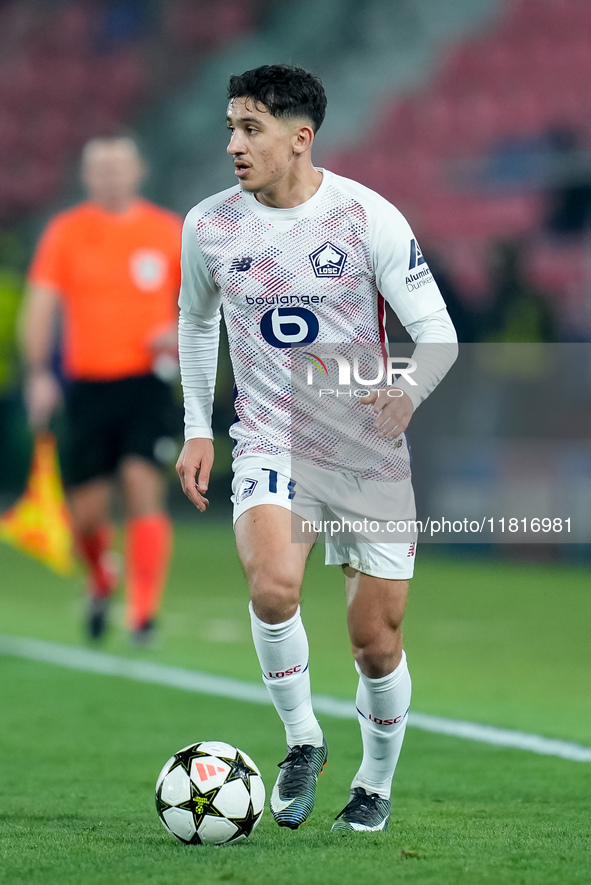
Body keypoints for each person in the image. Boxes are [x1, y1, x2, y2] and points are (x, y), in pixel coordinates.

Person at [176, 65, 458, 833]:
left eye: (250, 129)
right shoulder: (209, 225)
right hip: (270, 436)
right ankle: (302, 737)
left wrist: (406, 392)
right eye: (231, 126)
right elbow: (198, 323)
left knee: (374, 642)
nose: (233, 143)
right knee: (272, 587)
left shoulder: (365, 219)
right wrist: (199, 425)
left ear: (300, 138)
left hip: (362, 448)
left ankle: (373, 781)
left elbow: (436, 333)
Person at [22, 134, 182, 642]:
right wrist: (38, 373)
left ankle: (143, 614)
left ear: (139, 172)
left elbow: (207, 300)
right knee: (87, 515)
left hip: (146, 383)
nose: (111, 176)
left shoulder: (168, 232)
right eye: (101, 168)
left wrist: (179, 330)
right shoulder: (67, 234)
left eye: (120, 167)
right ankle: (100, 578)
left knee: (142, 486)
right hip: (88, 386)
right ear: (88, 177)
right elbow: (41, 305)